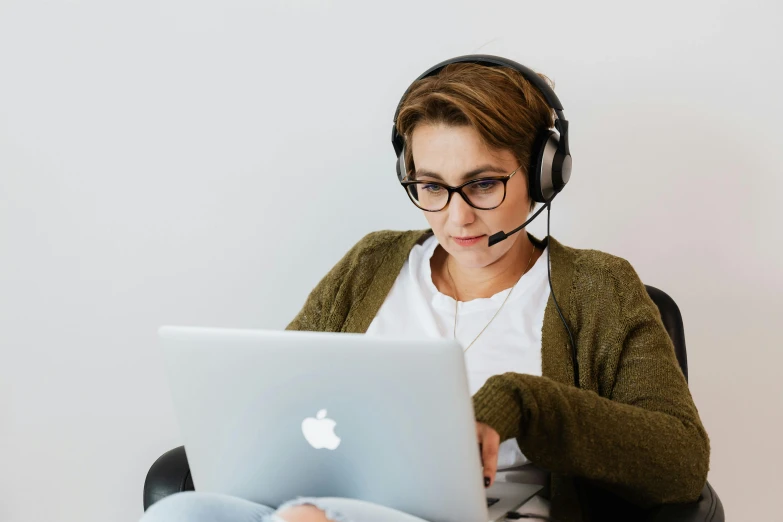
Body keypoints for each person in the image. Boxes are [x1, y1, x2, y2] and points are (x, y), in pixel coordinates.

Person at [140, 57, 709, 522]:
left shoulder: (598, 287)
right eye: (431, 186)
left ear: (543, 173)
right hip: (327, 510)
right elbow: (283, 401)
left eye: (483, 183)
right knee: (181, 513)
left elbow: (680, 461)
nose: (457, 218)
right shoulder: (372, 263)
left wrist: (521, 402)